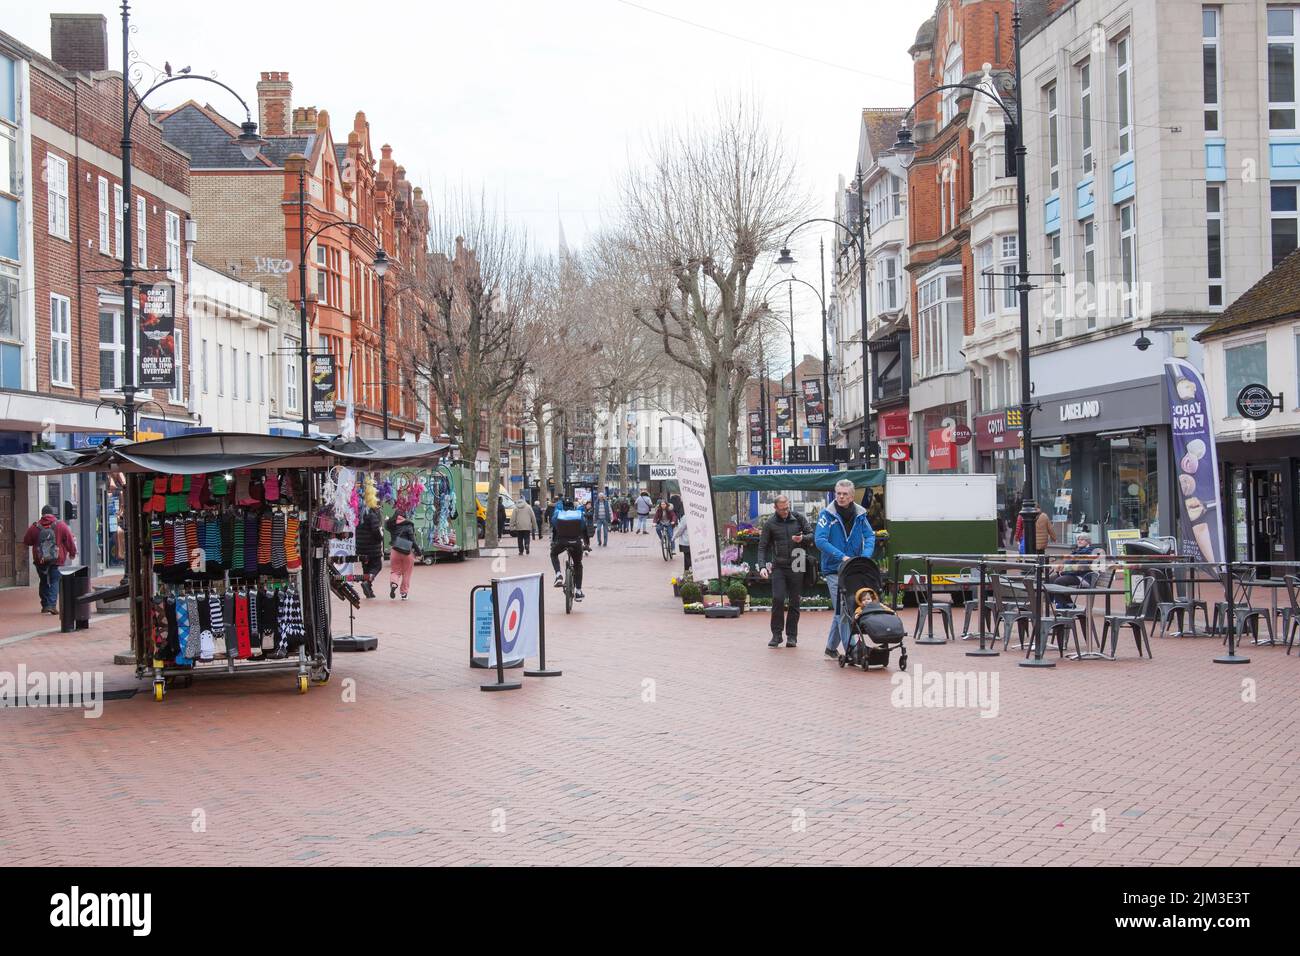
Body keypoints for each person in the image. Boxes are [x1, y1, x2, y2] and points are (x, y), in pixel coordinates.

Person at [814, 479, 877, 660]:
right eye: (838, 493)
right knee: (844, 609)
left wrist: (864, 557)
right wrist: (841, 556)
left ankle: (830, 648)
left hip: (854, 568)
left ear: (851, 496)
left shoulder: (860, 514)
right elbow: (820, 540)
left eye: (844, 494)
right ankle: (852, 649)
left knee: (843, 609)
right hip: (835, 569)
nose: (840, 497)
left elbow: (870, 536)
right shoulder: (827, 515)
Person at [759, 494, 813, 648]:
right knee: (778, 598)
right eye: (782, 509)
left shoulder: (799, 518)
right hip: (779, 565)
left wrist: (802, 539)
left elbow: (812, 536)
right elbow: (762, 546)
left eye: (787, 508)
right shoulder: (770, 523)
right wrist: (762, 566)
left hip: (798, 561)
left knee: (795, 601)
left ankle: (792, 636)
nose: (785, 511)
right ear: (775, 508)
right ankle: (776, 635)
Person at [23, 504, 77, 615]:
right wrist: (72, 553)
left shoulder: (35, 527)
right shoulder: (61, 525)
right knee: (54, 581)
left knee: (43, 581)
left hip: (40, 560)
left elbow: (27, 541)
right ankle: (51, 605)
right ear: (53, 514)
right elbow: (69, 540)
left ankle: (45, 605)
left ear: (42, 514)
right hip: (56, 560)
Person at [550, 499, 592, 600]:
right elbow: (584, 530)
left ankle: (558, 575)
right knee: (578, 564)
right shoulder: (578, 515)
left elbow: (554, 528)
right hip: (576, 543)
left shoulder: (559, 515)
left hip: (562, 542)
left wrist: (553, 542)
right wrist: (586, 544)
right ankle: (578, 591)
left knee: (553, 554)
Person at [1047, 533, 1102, 606]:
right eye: (1078, 540)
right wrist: (1061, 567)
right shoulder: (1077, 552)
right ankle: (1056, 604)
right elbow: (1068, 563)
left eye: (1082, 540)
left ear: (1088, 541)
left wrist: (1064, 572)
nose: (1079, 541)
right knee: (1049, 580)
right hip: (1074, 575)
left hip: (1084, 577)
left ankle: (1062, 605)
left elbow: (1080, 568)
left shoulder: (1091, 552)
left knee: (1059, 581)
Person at [385, 509, 421, 600]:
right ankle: (404, 594)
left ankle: (394, 583)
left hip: (395, 550)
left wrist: (387, 520)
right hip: (407, 552)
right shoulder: (408, 525)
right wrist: (418, 551)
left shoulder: (391, 524)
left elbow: (386, 526)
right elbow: (413, 541)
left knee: (395, 571)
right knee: (406, 573)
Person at [355, 506, 384, 599]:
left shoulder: (359, 516)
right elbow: (376, 531)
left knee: (366, 569)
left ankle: (369, 590)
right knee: (377, 566)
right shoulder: (372, 515)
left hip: (361, 548)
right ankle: (367, 582)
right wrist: (381, 537)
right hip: (372, 548)